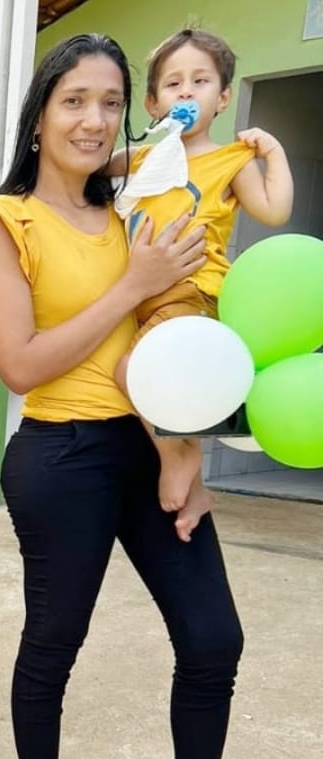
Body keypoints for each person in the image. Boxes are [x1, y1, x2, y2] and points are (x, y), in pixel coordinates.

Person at [0, 34, 293, 759]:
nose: (95, 120)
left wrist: (185, 452)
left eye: (110, 101)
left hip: (150, 447)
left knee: (214, 636)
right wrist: (132, 281)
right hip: (60, 455)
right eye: (75, 101)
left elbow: (168, 344)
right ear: (39, 119)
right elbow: (20, 365)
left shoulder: (144, 205)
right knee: (54, 647)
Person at [111, 28, 293, 532]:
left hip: (193, 289)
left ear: (223, 97)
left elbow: (274, 211)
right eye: (173, 84)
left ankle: (180, 455)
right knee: (144, 383)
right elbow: (87, 166)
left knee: (131, 371)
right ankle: (196, 493)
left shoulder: (229, 160)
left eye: (200, 81)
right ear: (153, 102)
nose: (186, 92)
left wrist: (272, 154)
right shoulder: (145, 159)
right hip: (141, 295)